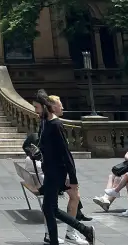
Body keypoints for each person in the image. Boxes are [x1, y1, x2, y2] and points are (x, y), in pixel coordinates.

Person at [36, 91, 95, 245]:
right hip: (49, 170)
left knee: (50, 209)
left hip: (57, 171)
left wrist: (73, 178)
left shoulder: (56, 125)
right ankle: (58, 238)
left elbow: (65, 153)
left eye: (37, 107)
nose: (35, 110)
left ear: (45, 107)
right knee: (50, 209)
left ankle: (83, 230)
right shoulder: (44, 122)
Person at [48, 95, 92, 226]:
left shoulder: (48, 124)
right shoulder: (56, 124)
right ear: (54, 107)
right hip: (59, 171)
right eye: (60, 104)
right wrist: (72, 176)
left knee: (71, 198)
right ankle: (72, 230)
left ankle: (73, 222)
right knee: (73, 197)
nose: (62, 107)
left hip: (53, 170)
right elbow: (64, 153)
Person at [93, 129, 128, 210]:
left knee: (118, 178)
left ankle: (106, 200)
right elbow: (126, 156)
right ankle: (106, 200)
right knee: (111, 176)